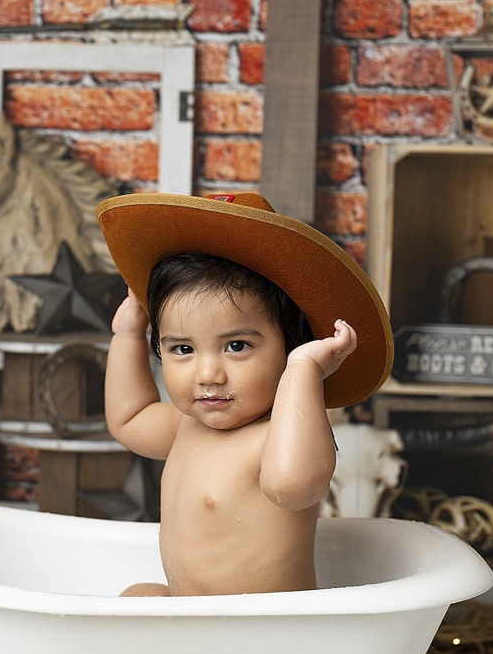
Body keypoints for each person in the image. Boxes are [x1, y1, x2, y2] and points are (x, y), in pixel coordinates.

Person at [96, 191, 393, 597]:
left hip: (260, 630)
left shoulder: (278, 438)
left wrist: (303, 372)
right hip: (191, 617)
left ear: (290, 346)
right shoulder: (186, 426)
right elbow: (128, 419)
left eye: (236, 346)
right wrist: (126, 335)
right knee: (138, 596)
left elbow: (294, 485)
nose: (208, 374)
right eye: (182, 349)